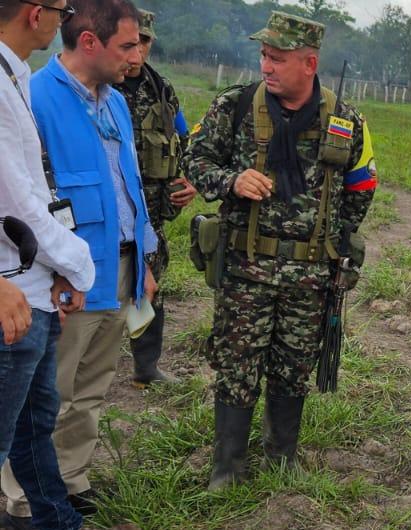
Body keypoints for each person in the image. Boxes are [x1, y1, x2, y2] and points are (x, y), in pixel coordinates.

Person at [187, 10, 376, 490]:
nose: (266, 66)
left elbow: (362, 181)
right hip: (246, 269)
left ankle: (281, 456)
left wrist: (337, 241)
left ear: (309, 63)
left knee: (293, 367)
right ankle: (227, 466)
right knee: (237, 363)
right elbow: (195, 157)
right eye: (264, 56)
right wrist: (231, 180)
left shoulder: (344, 118)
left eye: (278, 58)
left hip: (310, 277)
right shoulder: (235, 106)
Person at [1, 0, 158, 523]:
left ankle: (71, 479)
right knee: (48, 394)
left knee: (91, 386)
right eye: (127, 45)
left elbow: (129, 184)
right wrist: (65, 267)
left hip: (120, 264)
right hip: (63, 270)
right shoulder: (36, 94)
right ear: (89, 41)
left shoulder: (115, 102)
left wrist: (145, 257)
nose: (137, 57)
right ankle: (24, 499)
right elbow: (26, 194)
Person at [0, 0, 97, 527]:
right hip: (10, 299)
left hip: (34, 286)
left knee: (33, 430)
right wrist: (80, 263)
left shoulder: (13, 77)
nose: (67, 18)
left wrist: (59, 267)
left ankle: (58, 522)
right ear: (35, 14)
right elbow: (16, 202)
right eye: (63, 9)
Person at [114, 8, 196, 389]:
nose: (139, 50)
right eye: (133, 40)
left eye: (145, 41)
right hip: (109, 212)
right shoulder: (99, 85)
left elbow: (183, 141)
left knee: (150, 286)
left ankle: (145, 367)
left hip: (151, 214)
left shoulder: (161, 89)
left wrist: (186, 180)